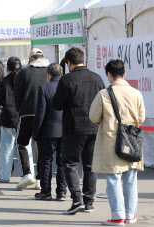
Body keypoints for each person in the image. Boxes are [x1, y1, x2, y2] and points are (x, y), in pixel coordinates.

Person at [89, 60, 145, 226]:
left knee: (113, 179)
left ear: (109, 75)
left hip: (111, 141)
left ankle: (117, 217)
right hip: (133, 141)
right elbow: (141, 118)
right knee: (130, 180)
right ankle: (130, 215)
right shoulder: (137, 93)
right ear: (124, 74)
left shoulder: (104, 94)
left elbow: (93, 117)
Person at [52, 47, 105, 214]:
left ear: (68, 63)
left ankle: (76, 199)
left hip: (73, 127)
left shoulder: (67, 80)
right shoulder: (97, 78)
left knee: (70, 163)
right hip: (94, 128)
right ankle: (89, 202)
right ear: (84, 59)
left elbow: (57, 104)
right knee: (90, 165)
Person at [14, 48, 50, 189]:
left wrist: (19, 109)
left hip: (27, 112)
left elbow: (17, 95)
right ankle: (41, 179)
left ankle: (27, 174)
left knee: (21, 143)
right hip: (45, 113)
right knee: (41, 146)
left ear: (30, 58)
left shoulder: (24, 72)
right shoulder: (50, 70)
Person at [33, 63, 67, 201]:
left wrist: (36, 131)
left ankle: (45, 191)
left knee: (46, 161)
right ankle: (62, 192)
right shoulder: (67, 87)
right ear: (62, 74)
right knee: (62, 162)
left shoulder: (44, 88)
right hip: (65, 131)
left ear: (49, 75)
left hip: (48, 131)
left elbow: (40, 112)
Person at [0, 57, 22, 183]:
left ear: (7, 68)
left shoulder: (4, 82)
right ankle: (28, 175)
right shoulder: (24, 80)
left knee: (6, 148)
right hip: (22, 116)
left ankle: (5, 176)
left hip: (7, 117)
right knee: (25, 147)